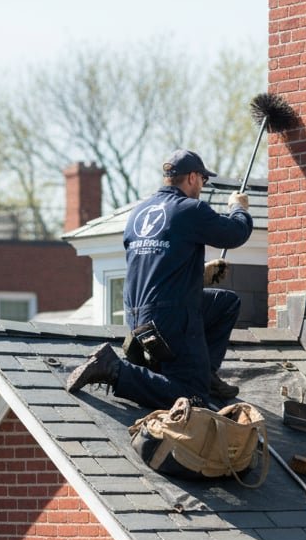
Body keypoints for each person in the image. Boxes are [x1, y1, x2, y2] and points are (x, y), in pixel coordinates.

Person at [66, 149, 253, 409]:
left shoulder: (139, 213)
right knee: (194, 397)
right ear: (191, 177)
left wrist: (200, 275)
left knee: (226, 303)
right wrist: (238, 208)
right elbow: (235, 234)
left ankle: (205, 373)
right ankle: (115, 370)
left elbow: (154, 267)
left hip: (137, 318)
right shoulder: (190, 208)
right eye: (203, 180)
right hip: (172, 319)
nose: (202, 186)